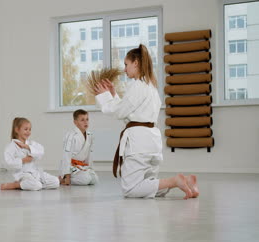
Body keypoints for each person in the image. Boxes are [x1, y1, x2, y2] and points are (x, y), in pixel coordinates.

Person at [90, 44, 199, 199]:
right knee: (148, 184)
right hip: (152, 143)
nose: (124, 69)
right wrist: (114, 94)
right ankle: (187, 182)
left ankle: (175, 181)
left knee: (131, 189)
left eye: (126, 64)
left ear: (136, 63)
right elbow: (130, 112)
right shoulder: (150, 87)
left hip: (139, 145)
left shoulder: (137, 85)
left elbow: (119, 112)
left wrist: (105, 96)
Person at [0, 117, 60, 191]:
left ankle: (29, 184)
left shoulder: (31, 143)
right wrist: (23, 160)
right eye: (25, 129)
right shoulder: (11, 146)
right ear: (17, 130)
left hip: (35, 172)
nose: (28, 132)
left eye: (30, 129)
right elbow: (8, 162)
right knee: (37, 185)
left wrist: (27, 147)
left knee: (56, 182)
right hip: (23, 174)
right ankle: (15, 185)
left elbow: (41, 151)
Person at [59, 109, 98, 186]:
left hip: (82, 166)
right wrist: (67, 176)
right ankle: (63, 179)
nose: (86, 122)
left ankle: (84, 174)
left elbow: (89, 155)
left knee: (94, 179)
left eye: (87, 119)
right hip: (71, 167)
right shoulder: (71, 135)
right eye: (82, 120)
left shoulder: (90, 135)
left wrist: (89, 168)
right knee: (85, 180)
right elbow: (66, 156)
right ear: (75, 122)